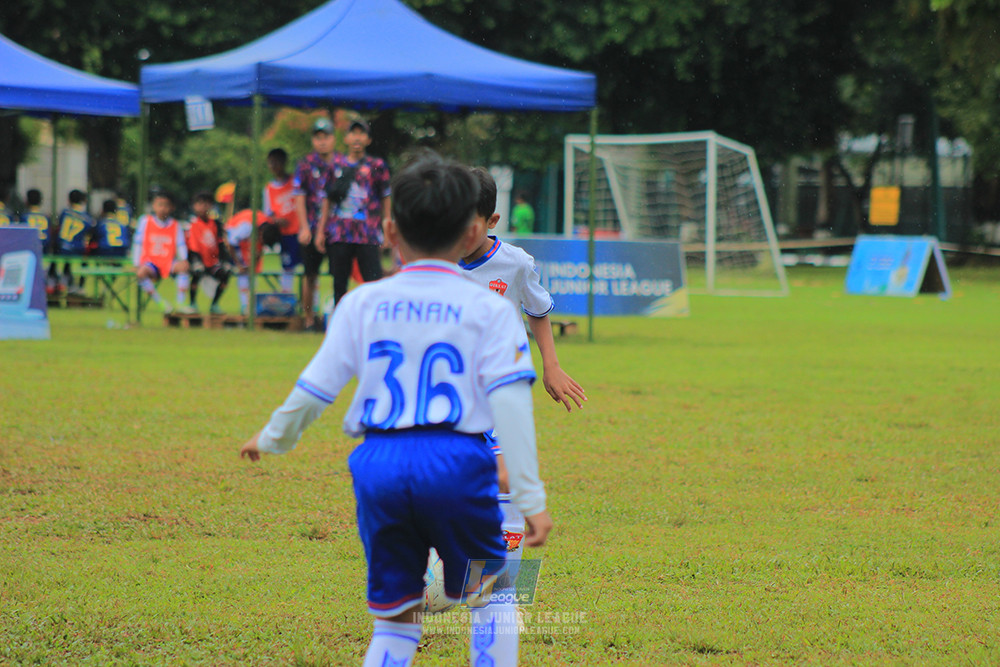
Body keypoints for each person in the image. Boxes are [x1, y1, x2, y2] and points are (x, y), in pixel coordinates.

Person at [240, 151, 551, 667]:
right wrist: (530, 494)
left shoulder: (361, 303)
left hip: (378, 465)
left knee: (396, 622)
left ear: (387, 231)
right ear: (472, 230)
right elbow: (513, 407)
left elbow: (315, 390)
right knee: (492, 595)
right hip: (458, 462)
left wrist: (271, 439)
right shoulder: (491, 310)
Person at [316, 117, 391, 307]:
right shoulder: (334, 166)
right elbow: (327, 200)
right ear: (346, 138)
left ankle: (375, 324)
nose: (357, 138)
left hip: (368, 233)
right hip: (340, 233)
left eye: (362, 133)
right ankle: (340, 325)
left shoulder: (377, 166)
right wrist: (320, 231)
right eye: (353, 133)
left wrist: (387, 227)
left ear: (368, 140)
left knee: (373, 282)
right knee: (339, 283)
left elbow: (385, 197)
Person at [293, 117, 337, 331]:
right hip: (311, 226)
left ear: (333, 139)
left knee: (339, 274)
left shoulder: (342, 164)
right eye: (318, 138)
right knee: (310, 274)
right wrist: (303, 227)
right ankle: (309, 318)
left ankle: (337, 317)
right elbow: (299, 196)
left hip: (337, 229)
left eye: (326, 137)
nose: (322, 142)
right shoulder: (305, 165)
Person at [132, 191, 195, 314]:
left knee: (183, 268)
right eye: (159, 205)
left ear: (172, 208)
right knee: (141, 273)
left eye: (166, 205)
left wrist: (184, 259)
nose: (163, 208)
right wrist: (136, 263)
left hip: (168, 261)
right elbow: (137, 243)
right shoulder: (145, 221)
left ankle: (180, 304)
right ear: (154, 206)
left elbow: (180, 245)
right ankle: (161, 303)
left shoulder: (175, 225)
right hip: (150, 262)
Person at [263, 148, 303, 296]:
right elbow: (268, 214)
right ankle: (287, 302)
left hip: (301, 231)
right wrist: (275, 221)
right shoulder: (269, 188)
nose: (274, 166)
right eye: (271, 162)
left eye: (277, 162)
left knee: (308, 270)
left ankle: (311, 305)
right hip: (285, 235)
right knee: (287, 268)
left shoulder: (296, 182)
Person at [224, 208, 279, 316]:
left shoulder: (267, 226)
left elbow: (261, 249)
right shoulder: (246, 228)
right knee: (244, 273)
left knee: (252, 273)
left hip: (246, 238)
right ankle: (245, 307)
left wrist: (254, 263)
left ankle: (250, 306)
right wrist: (239, 264)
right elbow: (230, 243)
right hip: (232, 235)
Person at [186, 192, 230, 314]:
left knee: (225, 273)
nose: (203, 207)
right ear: (194, 206)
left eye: (206, 204)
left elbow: (221, 245)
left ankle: (214, 304)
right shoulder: (192, 224)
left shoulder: (216, 224)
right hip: (197, 260)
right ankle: (192, 303)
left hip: (212, 262)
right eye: (200, 204)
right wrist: (196, 262)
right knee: (197, 272)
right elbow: (192, 248)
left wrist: (225, 261)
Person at [55, 189, 95, 293]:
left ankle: (61, 281)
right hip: (77, 249)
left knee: (64, 257)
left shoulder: (64, 213)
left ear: (68, 200)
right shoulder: (87, 218)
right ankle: (80, 286)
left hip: (61, 248)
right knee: (85, 259)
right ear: (83, 201)